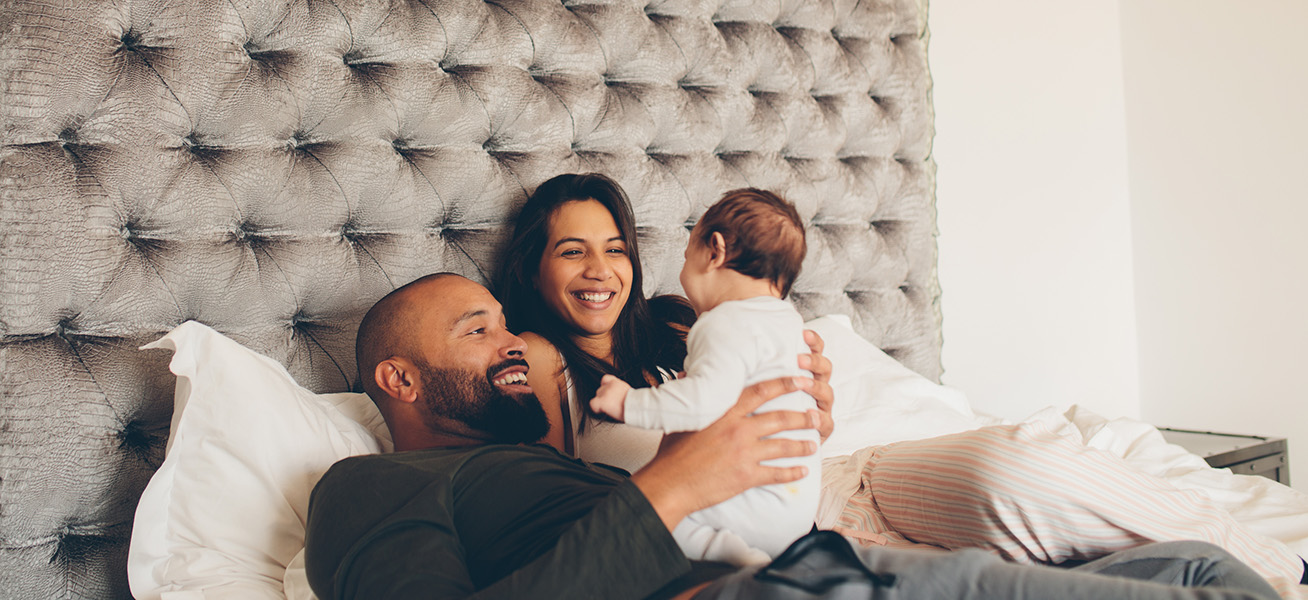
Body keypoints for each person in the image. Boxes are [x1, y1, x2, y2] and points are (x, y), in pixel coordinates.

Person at [495, 173, 1307, 597]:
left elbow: (799, 408)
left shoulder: (685, 321)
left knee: (1022, 469)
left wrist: (814, 401)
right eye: (572, 250)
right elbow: (550, 497)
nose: (601, 269)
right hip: (779, 542)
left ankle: (1278, 569)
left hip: (852, 471)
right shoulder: (540, 360)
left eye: (614, 248)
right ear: (535, 266)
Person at [303, 272, 1281, 600]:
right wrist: (674, 489)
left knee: (1193, 564)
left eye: (509, 325)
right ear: (398, 377)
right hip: (786, 589)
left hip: (803, 556)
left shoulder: (543, 467)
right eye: (479, 331)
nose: (513, 342)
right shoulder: (364, 490)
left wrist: (780, 418)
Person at [589, 188, 819, 565]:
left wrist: (629, 402)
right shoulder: (789, 325)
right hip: (797, 504)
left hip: (752, 502)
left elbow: (699, 406)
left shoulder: (723, 322)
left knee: (660, 525)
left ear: (715, 251)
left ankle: (739, 561)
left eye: (686, 257)